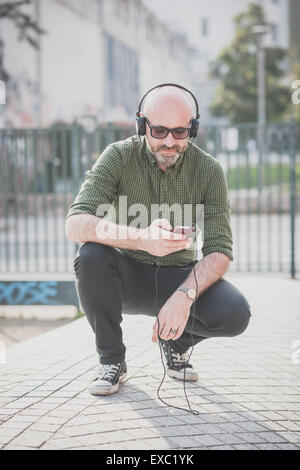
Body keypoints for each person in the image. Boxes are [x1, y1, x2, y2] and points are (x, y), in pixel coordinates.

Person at [65, 83, 251, 396]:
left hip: (178, 276)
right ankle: (112, 360)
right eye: (160, 130)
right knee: (91, 256)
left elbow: (220, 251)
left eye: (179, 132)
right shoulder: (118, 157)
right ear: (142, 125)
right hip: (128, 276)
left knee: (236, 313)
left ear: (193, 128)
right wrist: (142, 239)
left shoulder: (209, 170)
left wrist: (184, 296)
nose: (169, 141)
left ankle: (176, 343)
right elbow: (75, 223)